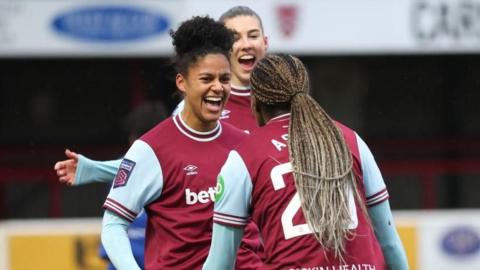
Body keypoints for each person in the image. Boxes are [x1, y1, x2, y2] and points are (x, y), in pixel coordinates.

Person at [203, 54, 409, 269]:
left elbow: (220, 263)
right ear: (306, 91)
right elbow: (390, 245)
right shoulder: (352, 140)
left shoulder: (243, 158)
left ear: (255, 101)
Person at [101, 16, 264, 270]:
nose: (218, 88)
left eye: (224, 79)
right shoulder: (151, 149)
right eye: (206, 79)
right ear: (182, 83)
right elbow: (113, 226)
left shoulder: (245, 145)